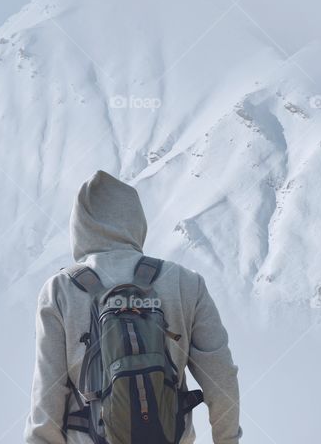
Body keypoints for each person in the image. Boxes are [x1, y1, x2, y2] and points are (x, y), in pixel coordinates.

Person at [25, 170, 241, 443]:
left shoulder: (59, 290)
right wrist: (227, 440)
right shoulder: (185, 283)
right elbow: (222, 380)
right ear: (137, 222)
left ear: (79, 227)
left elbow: (47, 398)